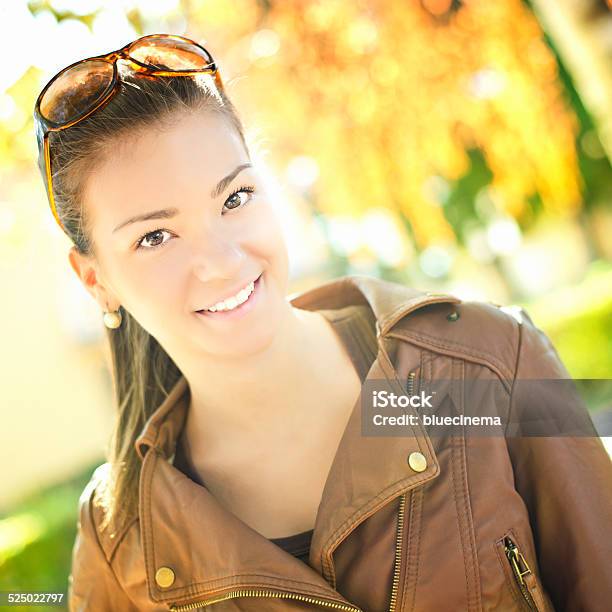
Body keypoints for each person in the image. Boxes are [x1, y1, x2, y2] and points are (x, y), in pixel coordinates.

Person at [33, 34, 612, 612]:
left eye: (234, 198)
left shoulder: (484, 363)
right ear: (95, 280)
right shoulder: (120, 548)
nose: (223, 262)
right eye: (154, 237)